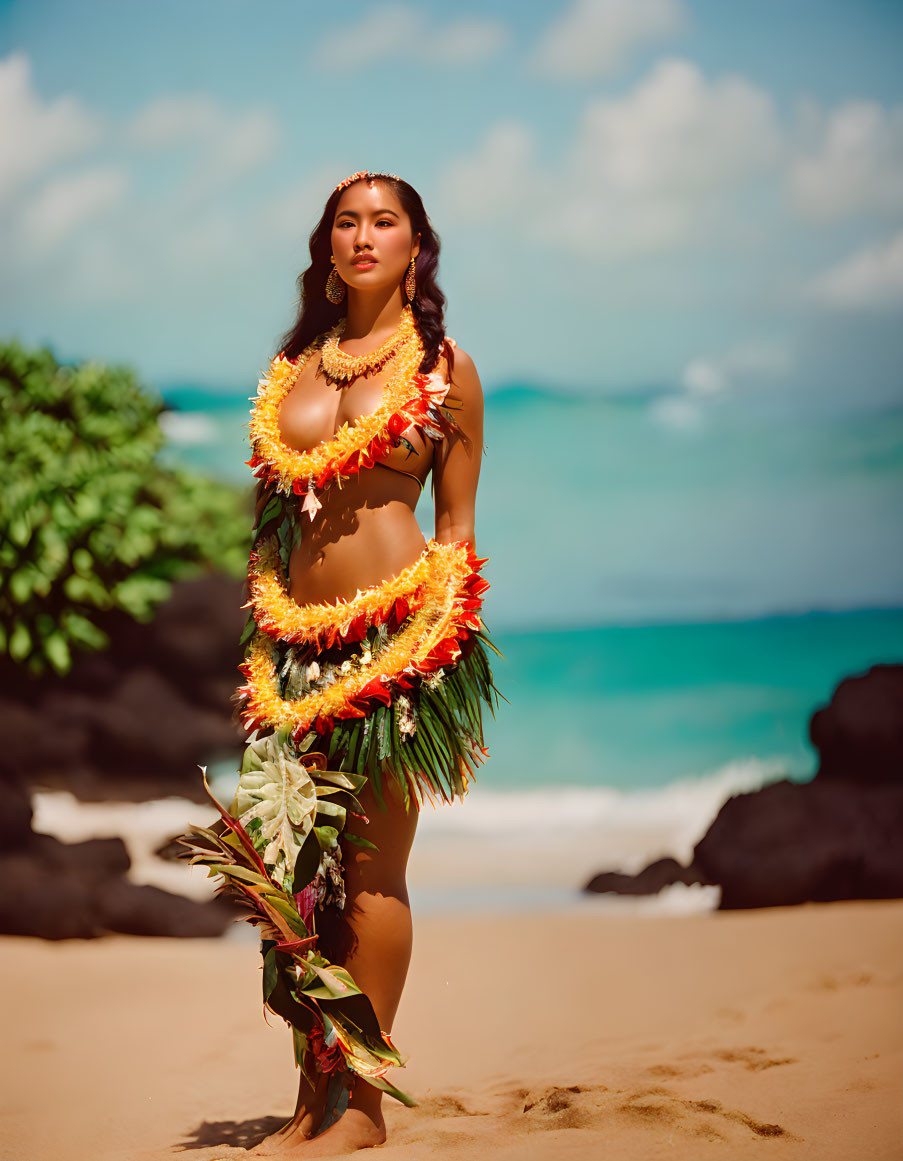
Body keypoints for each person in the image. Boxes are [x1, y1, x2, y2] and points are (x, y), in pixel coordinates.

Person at [180, 170, 502, 1157]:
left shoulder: (445, 367)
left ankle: (359, 1108)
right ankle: (308, 1102)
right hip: (288, 645)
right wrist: (261, 629)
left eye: (385, 221)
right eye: (347, 223)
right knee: (294, 880)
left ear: (416, 244)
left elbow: (456, 527)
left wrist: (439, 645)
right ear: (328, 248)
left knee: (369, 873)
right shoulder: (297, 369)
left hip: (400, 638)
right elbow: (277, 515)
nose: (364, 236)